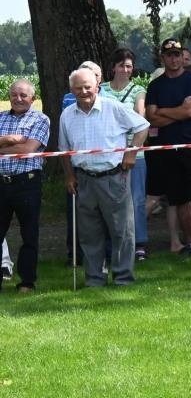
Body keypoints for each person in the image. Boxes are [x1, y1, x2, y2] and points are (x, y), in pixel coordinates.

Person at [59, 67, 148, 286]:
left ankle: (123, 278)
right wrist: (69, 176)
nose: (83, 92)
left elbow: (142, 126)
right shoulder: (67, 114)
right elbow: (64, 149)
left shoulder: (113, 108)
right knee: (89, 233)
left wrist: (131, 152)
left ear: (96, 86)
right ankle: (95, 279)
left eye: (87, 87)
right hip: (84, 180)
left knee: (121, 231)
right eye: (78, 88)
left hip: (114, 177)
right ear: (72, 90)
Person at [144, 38, 191, 255]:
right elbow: (151, 118)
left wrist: (164, 111)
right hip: (167, 149)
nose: (174, 58)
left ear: (183, 56)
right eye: (170, 55)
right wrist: (178, 111)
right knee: (179, 199)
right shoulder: (155, 85)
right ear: (163, 57)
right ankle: (190, 242)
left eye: (177, 54)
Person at [0, 79, 49, 294]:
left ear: (33, 98)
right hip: (1, 182)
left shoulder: (41, 119)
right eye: (14, 94)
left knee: (29, 234)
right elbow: (21, 145)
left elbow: (29, 149)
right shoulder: (1, 117)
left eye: (23, 95)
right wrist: (11, 138)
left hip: (27, 182)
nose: (18, 99)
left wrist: (4, 145)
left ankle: (27, 281)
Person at [100, 50, 149, 259]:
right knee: (109, 201)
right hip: (108, 154)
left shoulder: (138, 90)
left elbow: (140, 117)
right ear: (113, 67)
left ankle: (139, 244)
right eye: (121, 65)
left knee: (136, 199)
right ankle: (113, 243)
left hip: (134, 154)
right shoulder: (100, 90)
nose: (125, 70)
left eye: (129, 66)